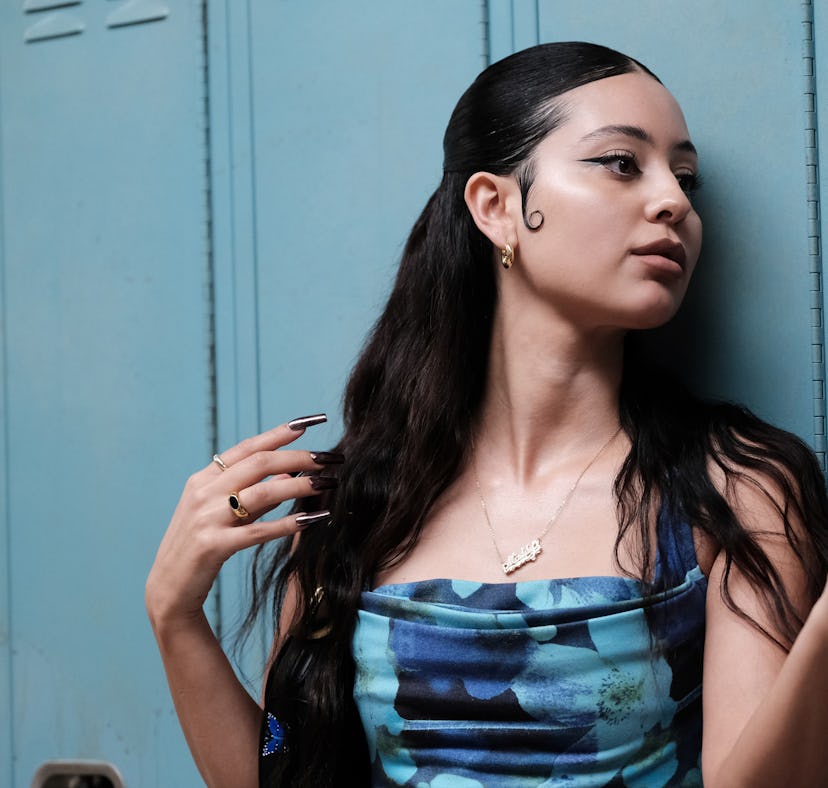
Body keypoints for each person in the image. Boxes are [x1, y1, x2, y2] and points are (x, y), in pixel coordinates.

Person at [146, 42, 828, 787]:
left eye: (685, 176)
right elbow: (282, 776)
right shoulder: (361, 506)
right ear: (496, 207)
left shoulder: (735, 488)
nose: (674, 201)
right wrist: (176, 619)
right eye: (622, 163)